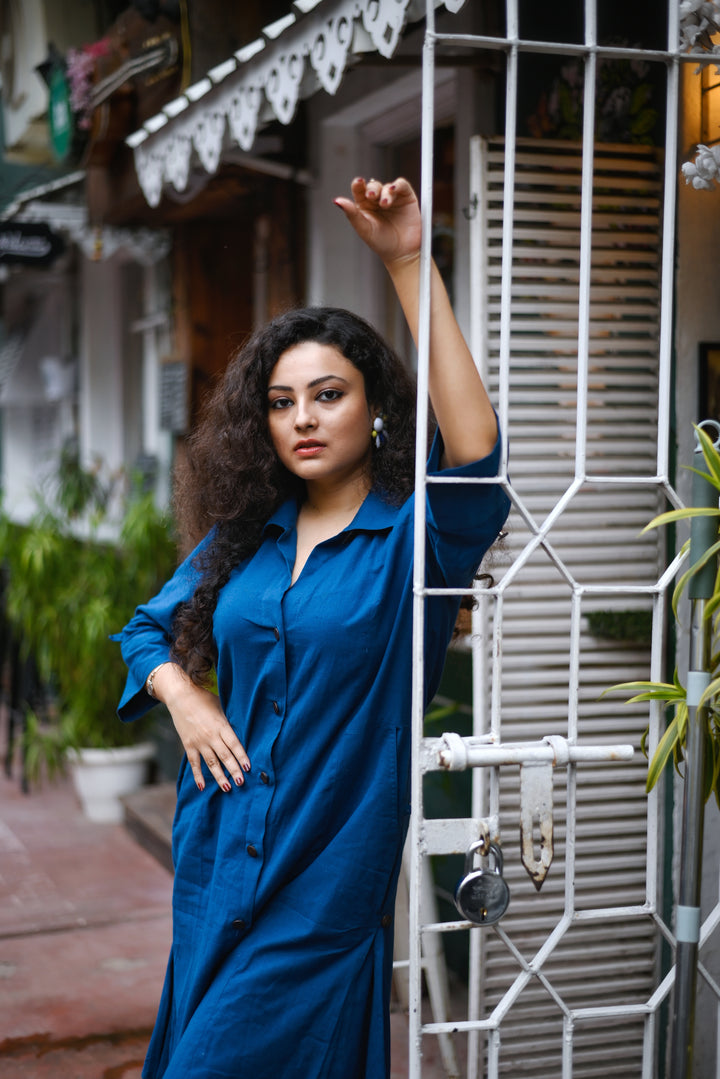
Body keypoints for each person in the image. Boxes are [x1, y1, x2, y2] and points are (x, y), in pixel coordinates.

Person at [114, 177, 511, 1079]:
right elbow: (145, 629)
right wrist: (184, 696)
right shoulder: (246, 539)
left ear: (374, 411)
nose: (302, 418)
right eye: (283, 401)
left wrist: (409, 264)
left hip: (323, 884)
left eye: (327, 394)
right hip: (217, 857)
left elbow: (478, 458)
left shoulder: (418, 540)